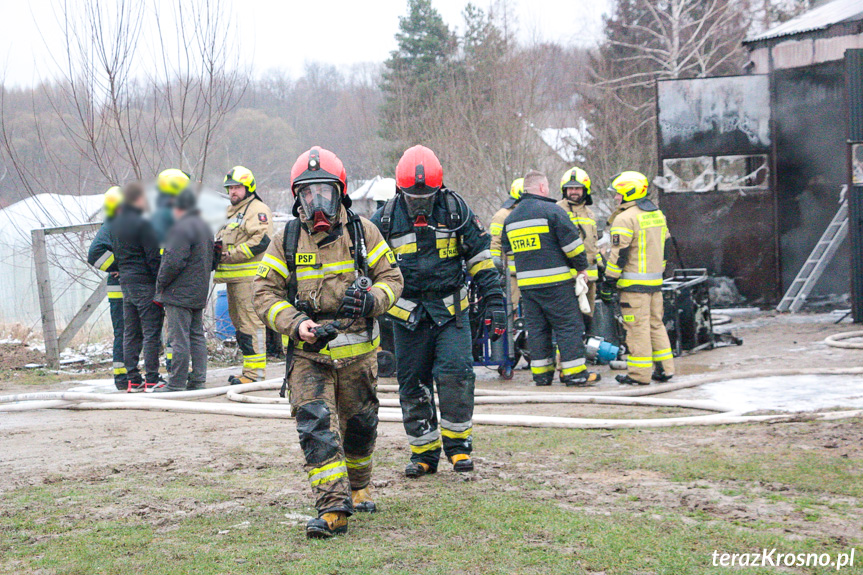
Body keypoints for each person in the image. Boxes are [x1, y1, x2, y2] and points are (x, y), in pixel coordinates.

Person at [255, 146, 403, 539]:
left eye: (324, 192)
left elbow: (394, 279)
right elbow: (264, 295)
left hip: (358, 356)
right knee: (316, 427)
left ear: (340, 193)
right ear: (297, 196)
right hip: (309, 355)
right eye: (308, 193)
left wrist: (373, 300)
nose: (316, 202)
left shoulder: (363, 232)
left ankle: (359, 485)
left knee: (360, 427)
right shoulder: (284, 239)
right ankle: (333, 507)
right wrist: (297, 323)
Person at [371, 145, 504, 479]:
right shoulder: (385, 219)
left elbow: (481, 260)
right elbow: (365, 264)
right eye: (413, 197)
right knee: (412, 382)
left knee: (456, 375)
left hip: (450, 314)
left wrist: (496, 303)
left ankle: (459, 449)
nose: (420, 203)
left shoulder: (456, 211)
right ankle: (424, 453)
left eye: (426, 196)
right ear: (400, 189)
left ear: (439, 188)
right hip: (407, 316)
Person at [501, 170, 599, 387]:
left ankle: (542, 375)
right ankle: (575, 374)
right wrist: (582, 268)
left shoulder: (511, 218)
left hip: (528, 287)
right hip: (557, 284)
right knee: (568, 326)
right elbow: (572, 246)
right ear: (543, 188)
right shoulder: (552, 211)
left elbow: (507, 251)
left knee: (537, 330)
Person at [600, 171, 675, 385]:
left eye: (618, 194)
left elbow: (618, 255)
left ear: (629, 192)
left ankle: (639, 375)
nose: (615, 197)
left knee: (636, 330)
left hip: (633, 288)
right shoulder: (657, 214)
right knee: (655, 325)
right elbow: (666, 246)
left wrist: (609, 281)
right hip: (654, 284)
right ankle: (665, 369)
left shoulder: (625, 218)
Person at [215, 166, 274, 385]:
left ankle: (255, 375)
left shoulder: (256, 209)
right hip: (234, 281)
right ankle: (248, 372)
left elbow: (261, 241)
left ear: (249, 187)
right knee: (241, 327)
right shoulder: (235, 212)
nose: (233, 192)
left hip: (249, 280)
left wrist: (231, 255)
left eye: (237, 187)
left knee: (251, 326)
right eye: (230, 188)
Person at [154, 188, 214, 392]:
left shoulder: (180, 228)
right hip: (198, 292)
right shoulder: (205, 227)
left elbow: (173, 260)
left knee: (178, 338)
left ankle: (176, 382)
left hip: (178, 293)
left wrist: (160, 284)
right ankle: (198, 379)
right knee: (196, 336)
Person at [111, 182, 164, 392]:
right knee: (151, 332)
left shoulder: (116, 226)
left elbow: (116, 256)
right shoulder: (145, 225)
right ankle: (152, 378)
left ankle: (133, 378)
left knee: (131, 333)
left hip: (127, 284)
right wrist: (160, 281)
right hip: (145, 284)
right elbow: (153, 258)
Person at [87, 186, 126, 390]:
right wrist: (118, 266)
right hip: (122, 288)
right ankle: (123, 377)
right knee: (127, 332)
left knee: (126, 332)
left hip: (122, 287)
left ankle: (124, 376)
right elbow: (94, 254)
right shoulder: (112, 224)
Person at [556, 167, 600, 326]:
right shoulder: (557, 210)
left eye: (577, 188)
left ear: (585, 189)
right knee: (568, 323)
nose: (573, 191)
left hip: (589, 278)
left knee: (587, 320)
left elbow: (593, 244)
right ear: (564, 190)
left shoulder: (589, 214)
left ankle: (583, 350)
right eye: (570, 188)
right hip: (567, 278)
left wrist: (601, 266)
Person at [489, 178, 523, 306]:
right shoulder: (502, 215)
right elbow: (495, 242)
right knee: (511, 305)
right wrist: (496, 264)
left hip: (531, 270)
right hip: (511, 272)